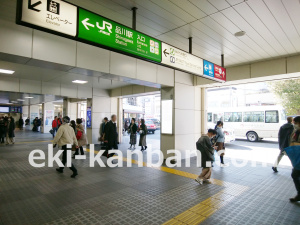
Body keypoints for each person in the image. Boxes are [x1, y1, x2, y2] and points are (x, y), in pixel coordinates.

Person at [288, 116, 300, 202]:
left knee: (295, 174)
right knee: (295, 175)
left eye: (295, 123)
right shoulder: (296, 131)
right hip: (297, 157)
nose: (294, 125)